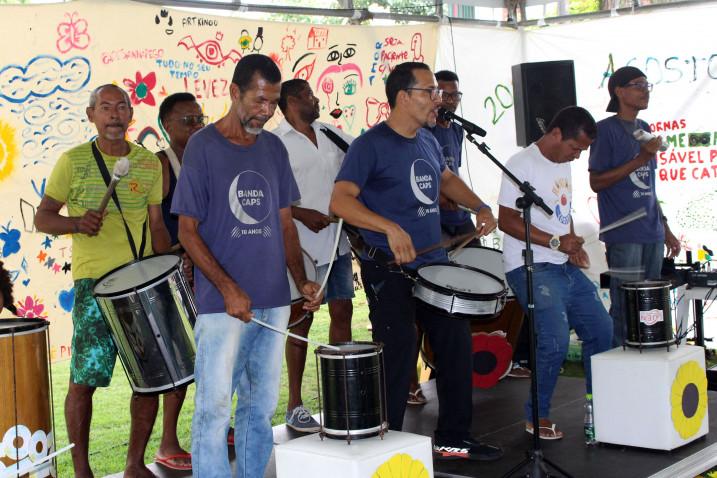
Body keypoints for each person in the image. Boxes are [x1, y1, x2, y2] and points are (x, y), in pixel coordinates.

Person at [331, 61, 503, 462]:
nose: (438, 99)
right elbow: (340, 201)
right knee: (398, 351)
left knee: (455, 344)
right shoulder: (369, 145)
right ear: (403, 97)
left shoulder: (427, 139)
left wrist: (477, 204)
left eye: (438, 93)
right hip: (388, 267)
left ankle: (454, 439)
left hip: (434, 264)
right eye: (429, 91)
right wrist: (388, 227)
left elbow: (445, 180)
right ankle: (387, 448)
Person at [171, 54, 322, 478]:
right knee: (215, 408)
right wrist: (227, 288)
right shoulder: (203, 146)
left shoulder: (273, 147)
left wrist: (301, 281)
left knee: (260, 407)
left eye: (272, 103)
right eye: (258, 100)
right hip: (223, 306)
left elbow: (285, 222)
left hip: (273, 301)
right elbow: (187, 231)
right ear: (234, 92)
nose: (266, 111)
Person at [35, 84, 172, 478]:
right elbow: (43, 217)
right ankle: (82, 470)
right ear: (91, 115)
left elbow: (157, 224)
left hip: (142, 286)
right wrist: (76, 223)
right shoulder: (73, 161)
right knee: (84, 380)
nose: (114, 115)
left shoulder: (148, 164)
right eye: (105, 108)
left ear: (131, 115)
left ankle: (134, 465)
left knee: (150, 380)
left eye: (121, 107)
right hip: (94, 286)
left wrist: (167, 270)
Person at [498, 106, 613, 440]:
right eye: (575, 148)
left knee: (601, 330)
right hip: (528, 264)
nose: (577, 157)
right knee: (555, 341)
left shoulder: (563, 164)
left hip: (561, 262)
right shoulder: (522, 164)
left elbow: (563, 212)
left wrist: (573, 243)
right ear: (556, 133)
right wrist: (553, 240)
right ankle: (537, 416)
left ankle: (600, 405)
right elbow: (506, 220)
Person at [275, 78, 354, 433]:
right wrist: (301, 213)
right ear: (291, 101)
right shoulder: (275, 143)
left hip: (337, 241)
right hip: (300, 244)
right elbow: (272, 199)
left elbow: (357, 165)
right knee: (300, 321)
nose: (316, 99)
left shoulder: (333, 134)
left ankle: (341, 394)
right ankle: (294, 404)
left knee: (343, 310)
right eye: (308, 95)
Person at [588, 66, 681, 347]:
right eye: (638, 85)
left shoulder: (645, 129)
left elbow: (649, 187)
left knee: (649, 311)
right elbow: (596, 181)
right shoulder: (605, 130)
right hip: (624, 233)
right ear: (618, 91)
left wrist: (666, 229)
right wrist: (641, 158)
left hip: (651, 231)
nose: (645, 91)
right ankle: (618, 371)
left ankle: (647, 364)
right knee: (625, 307)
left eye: (646, 85)